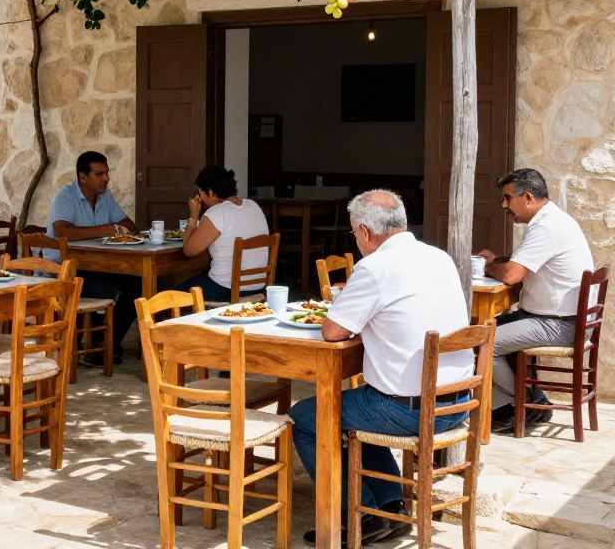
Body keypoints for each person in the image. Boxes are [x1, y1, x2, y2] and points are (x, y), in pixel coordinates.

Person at [289, 190, 472, 545]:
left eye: (353, 233)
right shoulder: (439, 257)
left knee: (307, 418)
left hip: (409, 411)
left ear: (364, 231)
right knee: (362, 404)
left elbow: (332, 331)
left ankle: (360, 516)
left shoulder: (374, 267)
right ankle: (390, 508)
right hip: (457, 403)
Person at [475, 168, 593, 433]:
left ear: (527, 197)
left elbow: (512, 274)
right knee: (484, 328)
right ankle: (517, 404)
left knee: (483, 341)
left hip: (559, 324)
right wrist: (497, 260)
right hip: (552, 318)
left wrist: (487, 267)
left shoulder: (547, 227)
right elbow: (518, 261)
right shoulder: (550, 219)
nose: (503, 205)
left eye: (508, 198)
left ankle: (527, 404)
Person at [46, 151, 139, 364]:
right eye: (99, 174)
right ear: (82, 177)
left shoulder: (105, 196)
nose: (106, 179)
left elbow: (127, 224)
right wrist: (102, 230)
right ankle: (95, 346)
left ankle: (106, 343)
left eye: (106, 173)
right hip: (64, 267)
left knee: (137, 285)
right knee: (106, 291)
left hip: (96, 266)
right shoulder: (65, 196)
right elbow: (61, 230)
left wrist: (124, 228)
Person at [179, 165, 270, 301]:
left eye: (200, 191)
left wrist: (193, 215)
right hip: (258, 287)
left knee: (170, 297)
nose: (199, 196)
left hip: (224, 289)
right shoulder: (253, 205)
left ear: (210, 192)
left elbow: (189, 250)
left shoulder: (217, 213)